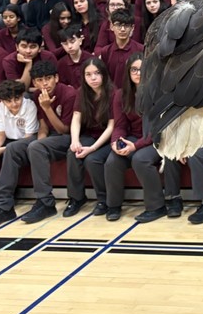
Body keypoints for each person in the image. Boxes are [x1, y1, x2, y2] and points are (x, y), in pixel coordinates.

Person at [103, 53, 166, 222]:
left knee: (140, 159)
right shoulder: (120, 94)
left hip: (157, 140)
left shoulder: (159, 92)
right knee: (112, 160)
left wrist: (135, 146)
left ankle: (157, 206)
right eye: (134, 69)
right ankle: (113, 205)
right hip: (133, 139)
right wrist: (117, 142)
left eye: (142, 69)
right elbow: (120, 125)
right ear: (128, 73)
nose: (138, 73)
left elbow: (157, 129)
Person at [0, 79, 40, 227]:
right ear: (2, 101)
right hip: (10, 142)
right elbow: (1, 134)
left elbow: (27, 137)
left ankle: (3, 206)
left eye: (17, 98)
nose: (14, 104)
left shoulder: (29, 106)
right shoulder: (1, 107)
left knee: (11, 149)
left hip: (29, 141)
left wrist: (0, 151)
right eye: (9, 101)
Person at [64, 57, 115, 218]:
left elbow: (111, 126)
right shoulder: (82, 92)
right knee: (73, 153)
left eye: (97, 73)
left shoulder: (113, 93)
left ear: (104, 74)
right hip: (89, 134)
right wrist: (75, 140)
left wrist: (92, 148)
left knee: (92, 159)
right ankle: (76, 198)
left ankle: (104, 199)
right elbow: (76, 119)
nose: (93, 78)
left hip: (108, 137)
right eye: (88, 74)